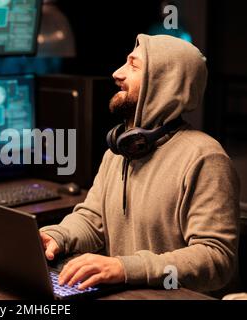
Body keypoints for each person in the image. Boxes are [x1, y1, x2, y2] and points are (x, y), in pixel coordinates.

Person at [40, 34, 240, 297]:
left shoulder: (205, 158)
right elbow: (92, 219)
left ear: (166, 82)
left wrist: (126, 268)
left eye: (133, 66)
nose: (117, 74)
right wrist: (57, 236)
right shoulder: (121, 150)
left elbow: (216, 259)